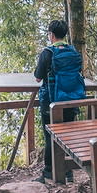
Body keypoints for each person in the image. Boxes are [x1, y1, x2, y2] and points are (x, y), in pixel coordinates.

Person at [33, 19, 80, 183]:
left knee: (49, 136)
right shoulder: (73, 50)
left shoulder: (47, 53)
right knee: (67, 135)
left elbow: (38, 78)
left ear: (51, 35)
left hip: (51, 101)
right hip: (71, 100)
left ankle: (48, 173)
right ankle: (68, 173)